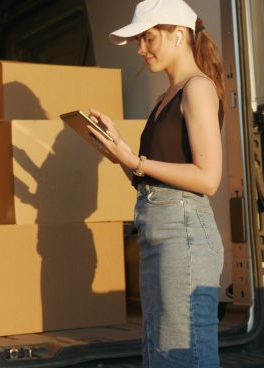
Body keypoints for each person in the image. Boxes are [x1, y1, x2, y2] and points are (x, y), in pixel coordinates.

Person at [88, 0, 225, 367]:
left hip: (183, 233)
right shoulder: (166, 97)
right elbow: (147, 179)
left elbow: (208, 178)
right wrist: (120, 154)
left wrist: (136, 160)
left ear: (178, 35)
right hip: (161, 229)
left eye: (148, 38)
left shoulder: (197, 88)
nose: (141, 49)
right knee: (162, 352)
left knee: (183, 354)